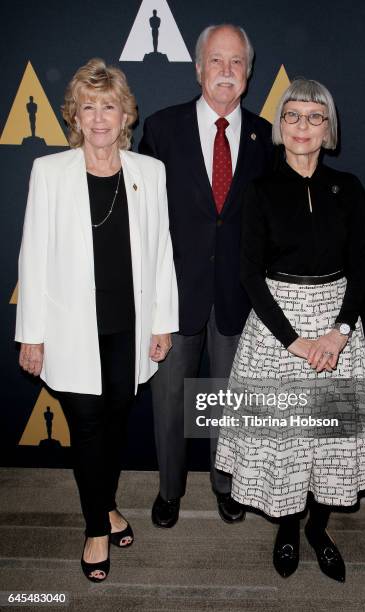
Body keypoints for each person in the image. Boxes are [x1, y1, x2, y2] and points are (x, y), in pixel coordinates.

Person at [215, 79, 365, 581]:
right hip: (277, 331)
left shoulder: (349, 187)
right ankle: (288, 527)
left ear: (328, 128)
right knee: (286, 440)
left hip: (338, 326)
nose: (303, 126)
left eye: (315, 117)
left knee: (330, 441)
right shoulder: (260, 191)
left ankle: (318, 528)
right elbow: (250, 274)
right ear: (280, 127)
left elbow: (363, 267)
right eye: (293, 116)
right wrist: (294, 341)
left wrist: (338, 333)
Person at [15, 58, 178, 582]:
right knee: (86, 427)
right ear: (75, 116)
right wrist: (31, 335)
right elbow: (32, 257)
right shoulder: (50, 172)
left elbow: (161, 253)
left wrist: (161, 323)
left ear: (126, 113)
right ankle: (95, 527)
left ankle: (105, 504)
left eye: (109, 105)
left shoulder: (149, 173)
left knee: (114, 423)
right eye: (89, 107)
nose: (100, 117)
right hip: (70, 330)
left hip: (129, 328)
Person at [139, 24, 274, 528]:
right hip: (173, 295)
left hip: (238, 296)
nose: (225, 71)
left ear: (248, 73)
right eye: (216, 60)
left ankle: (225, 484)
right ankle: (169, 490)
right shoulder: (161, 128)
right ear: (198, 68)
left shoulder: (266, 136)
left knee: (227, 401)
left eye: (236, 62)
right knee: (169, 400)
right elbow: (142, 218)